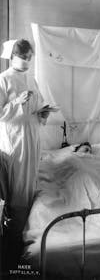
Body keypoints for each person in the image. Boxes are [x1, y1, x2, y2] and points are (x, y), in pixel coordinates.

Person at [0, 39, 50, 269]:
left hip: (31, 136)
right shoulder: (4, 79)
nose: (28, 60)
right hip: (15, 139)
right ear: (12, 55)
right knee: (18, 189)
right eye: (24, 56)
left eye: (30, 56)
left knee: (29, 185)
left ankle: (25, 234)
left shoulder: (32, 78)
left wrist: (43, 113)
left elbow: (38, 104)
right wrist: (17, 104)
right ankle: (12, 246)